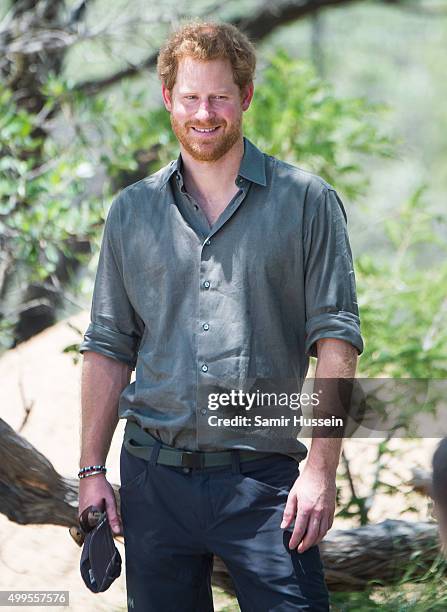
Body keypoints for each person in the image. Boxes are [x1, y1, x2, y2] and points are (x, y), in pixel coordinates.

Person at [78, 20, 364, 612]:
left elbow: (336, 340)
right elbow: (108, 345)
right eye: (190, 97)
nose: (203, 113)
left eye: (219, 97)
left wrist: (320, 471)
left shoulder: (307, 202)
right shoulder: (131, 213)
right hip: (153, 481)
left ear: (246, 98)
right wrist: (91, 471)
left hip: (265, 481)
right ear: (168, 100)